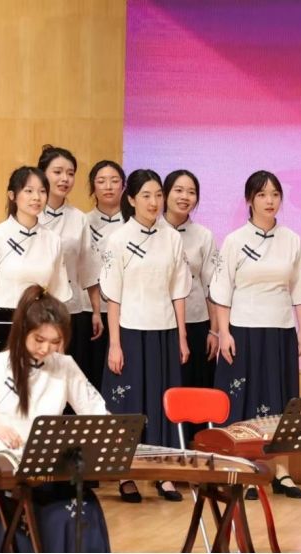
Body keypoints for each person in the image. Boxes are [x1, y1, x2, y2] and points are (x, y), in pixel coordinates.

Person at [0, 285, 111, 552]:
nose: (46, 349)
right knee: (55, 518)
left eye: (55, 342)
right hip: (10, 478)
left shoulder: (64, 366)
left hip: (53, 475)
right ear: (22, 331)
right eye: (39, 340)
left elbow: (98, 413)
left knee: (85, 509)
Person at [210, 170, 301, 500]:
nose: (270, 201)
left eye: (275, 194)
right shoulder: (234, 240)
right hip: (243, 332)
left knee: (281, 402)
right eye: (262, 195)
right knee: (244, 399)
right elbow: (222, 290)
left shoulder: (292, 239)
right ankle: (243, 469)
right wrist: (224, 333)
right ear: (249, 200)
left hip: (280, 331)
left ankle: (281, 472)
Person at [100, 169, 192, 503]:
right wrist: (114, 344)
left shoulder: (172, 237)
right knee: (129, 403)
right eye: (146, 196)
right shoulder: (118, 239)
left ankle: (164, 473)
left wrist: (182, 337)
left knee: (163, 402)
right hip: (129, 332)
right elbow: (113, 296)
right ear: (131, 199)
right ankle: (126, 474)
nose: (154, 203)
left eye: (158, 195)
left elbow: (178, 290)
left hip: (164, 332)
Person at [37, 145, 103, 383]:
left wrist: (96, 311)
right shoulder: (30, 213)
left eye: (70, 173)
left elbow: (88, 269)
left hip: (71, 309)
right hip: (35, 309)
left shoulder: (79, 219)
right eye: (57, 172)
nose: (65, 179)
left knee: (65, 375)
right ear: (42, 174)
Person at [0, 166, 71, 308]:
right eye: (29, 191)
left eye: (42, 191)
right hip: (0, 319)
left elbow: (59, 295)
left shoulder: (53, 240)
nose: (36, 197)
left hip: (39, 319)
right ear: (12, 195)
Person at [162, 170, 218, 415]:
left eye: (191, 192)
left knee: (195, 386)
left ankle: (197, 435)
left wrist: (214, 330)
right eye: (178, 190)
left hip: (196, 321)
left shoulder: (204, 235)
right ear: (165, 193)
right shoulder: (152, 231)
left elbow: (211, 287)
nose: (185, 197)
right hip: (159, 321)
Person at [82, 160, 127, 391]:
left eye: (114, 181)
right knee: (90, 372)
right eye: (101, 181)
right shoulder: (82, 221)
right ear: (93, 186)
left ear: (124, 186)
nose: (108, 186)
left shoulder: (133, 222)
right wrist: (96, 310)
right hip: (90, 311)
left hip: (126, 311)